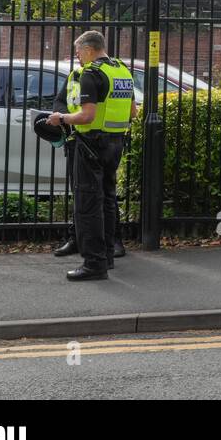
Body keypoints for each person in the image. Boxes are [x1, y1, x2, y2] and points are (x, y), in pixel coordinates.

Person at [46, 31, 137, 281]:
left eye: (77, 53)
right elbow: (133, 113)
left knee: (88, 204)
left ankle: (94, 264)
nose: (77, 58)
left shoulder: (90, 74)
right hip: (115, 144)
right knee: (108, 200)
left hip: (90, 144)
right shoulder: (122, 71)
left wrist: (61, 118)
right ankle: (107, 256)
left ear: (88, 49)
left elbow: (87, 116)